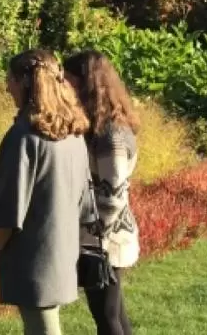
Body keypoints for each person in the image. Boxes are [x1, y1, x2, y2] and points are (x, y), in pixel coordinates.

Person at [0, 49, 91, 335]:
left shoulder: (24, 137)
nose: (7, 85)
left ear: (23, 81)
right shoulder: (73, 132)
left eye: (9, 78)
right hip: (63, 248)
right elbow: (84, 198)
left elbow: (10, 207)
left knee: (42, 329)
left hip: (34, 255)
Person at [64, 50, 140, 335]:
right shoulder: (101, 128)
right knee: (113, 314)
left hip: (107, 240)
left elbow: (113, 195)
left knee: (107, 317)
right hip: (103, 238)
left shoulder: (112, 134)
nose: (64, 87)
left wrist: (94, 241)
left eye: (68, 80)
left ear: (86, 83)